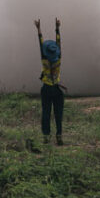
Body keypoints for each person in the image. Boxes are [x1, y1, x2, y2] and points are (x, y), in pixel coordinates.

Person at [34, 17, 65, 145]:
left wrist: (39, 29)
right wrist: (57, 28)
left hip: (46, 88)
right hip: (57, 89)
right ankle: (59, 136)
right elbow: (58, 43)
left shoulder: (44, 59)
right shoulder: (58, 58)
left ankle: (46, 136)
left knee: (46, 113)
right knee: (58, 114)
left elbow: (41, 43)